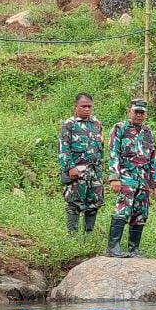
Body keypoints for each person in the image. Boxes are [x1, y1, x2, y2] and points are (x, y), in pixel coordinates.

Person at [107, 98, 156, 258]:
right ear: (129, 112)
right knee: (123, 210)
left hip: (143, 179)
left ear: (146, 114)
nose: (139, 115)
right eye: (136, 112)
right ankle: (113, 247)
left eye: (142, 112)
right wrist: (114, 177)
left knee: (140, 213)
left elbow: (153, 159)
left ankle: (133, 249)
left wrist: (154, 183)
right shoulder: (120, 128)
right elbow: (113, 153)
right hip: (126, 177)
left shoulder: (149, 133)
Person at [58, 92, 104, 234]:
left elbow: (100, 147)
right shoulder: (69, 125)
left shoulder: (96, 123)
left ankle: (88, 235)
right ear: (76, 106)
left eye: (89, 106)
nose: (87, 109)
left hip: (94, 171)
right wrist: (70, 167)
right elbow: (64, 148)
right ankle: (72, 235)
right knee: (74, 203)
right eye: (83, 106)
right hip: (77, 171)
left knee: (94, 204)